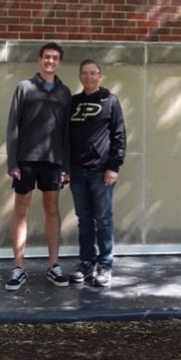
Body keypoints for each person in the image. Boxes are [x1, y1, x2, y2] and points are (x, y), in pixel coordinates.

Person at [4, 42, 71, 291]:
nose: (50, 61)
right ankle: (18, 268)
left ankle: (54, 265)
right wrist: (12, 162)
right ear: (39, 60)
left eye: (55, 58)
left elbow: (66, 133)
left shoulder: (64, 93)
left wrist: (67, 167)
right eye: (46, 57)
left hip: (53, 161)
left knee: (51, 209)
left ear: (59, 62)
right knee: (21, 210)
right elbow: (13, 127)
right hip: (25, 160)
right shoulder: (25, 88)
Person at [68, 59, 126, 288]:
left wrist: (114, 166)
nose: (89, 77)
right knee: (84, 220)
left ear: (100, 76)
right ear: (80, 76)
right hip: (77, 171)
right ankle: (86, 262)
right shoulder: (73, 103)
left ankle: (105, 265)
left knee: (103, 219)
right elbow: (65, 137)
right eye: (85, 73)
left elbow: (119, 136)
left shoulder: (110, 101)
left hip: (102, 172)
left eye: (93, 73)